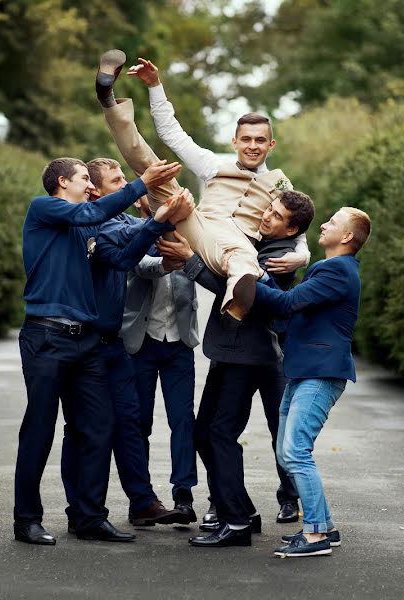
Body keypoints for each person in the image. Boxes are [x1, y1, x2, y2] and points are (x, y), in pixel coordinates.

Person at [13, 156, 180, 546]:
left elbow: (120, 257)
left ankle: (89, 517)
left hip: (85, 342)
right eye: (84, 178)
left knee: (99, 427)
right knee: (38, 430)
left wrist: (159, 222)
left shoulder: (85, 226)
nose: (90, 185)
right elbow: (94, 209)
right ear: (60, 182)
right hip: (46, 337)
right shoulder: (44, 209)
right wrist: (141, 184)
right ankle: (27, 521)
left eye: (92, 180)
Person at [95, 49, 309, 320]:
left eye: (259, 140)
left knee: (243, 258)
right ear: (235, 142)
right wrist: (154, 86)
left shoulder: (281, 183)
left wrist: (302, 256)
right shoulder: (213, 165)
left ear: (271, 145)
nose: (252, 146)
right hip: (195, 225)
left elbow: (298, 229)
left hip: (232, 245)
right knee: (153, 170)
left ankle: (236, 302)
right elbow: (171, 133)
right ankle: (108, 101)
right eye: (246, 139)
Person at [157, 191, 316, 548]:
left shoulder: (280, 258)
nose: (266, 217)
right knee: (203, 434)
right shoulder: (256, 238)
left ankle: (236, 523)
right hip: (230, 352)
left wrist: (189, 262)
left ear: (291, 229)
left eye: (275, 216)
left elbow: (250, 296)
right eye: (269, 209)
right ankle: (241, 509)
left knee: (220, 434)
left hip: (248, 355)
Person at [59, 158, 195, 531]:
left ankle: (143, 502)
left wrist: (164, 219)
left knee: (130, 423)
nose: (126, 183)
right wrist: (157, 220)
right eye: (118, 180)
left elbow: (142, 237)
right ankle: (83, 512)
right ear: (96, 191)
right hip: (84, 344)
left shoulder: (123, 220)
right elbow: (120, 248)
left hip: (114, 343)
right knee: (86, 429)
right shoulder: (93, 220)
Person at [253, 207, 372, 558]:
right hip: (306, 370)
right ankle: (326, 526)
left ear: (347, 237)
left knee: (295, 450)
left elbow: (288, 304)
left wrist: (252, 274)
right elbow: (290, 311)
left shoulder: (337, 270)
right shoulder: (331, 269)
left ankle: (316, 535)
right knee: (285, 452)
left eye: (333, 222)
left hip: (321, 372)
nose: (324, 224)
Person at [120, 194, 200, 521]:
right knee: (140, 424)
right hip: (141, 342)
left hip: (179, 342)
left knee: (183, 421)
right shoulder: (133, 233)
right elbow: (142, 267)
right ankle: (142, 499)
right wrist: (166, 255)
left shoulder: (191, 235)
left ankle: (184, 496)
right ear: (142, 204)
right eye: (154, 201)